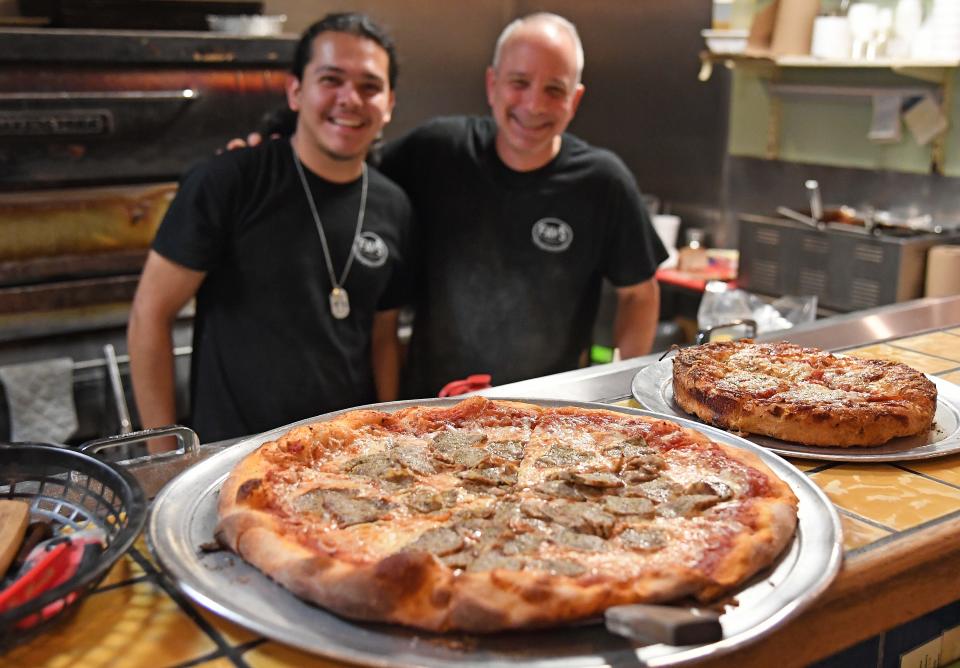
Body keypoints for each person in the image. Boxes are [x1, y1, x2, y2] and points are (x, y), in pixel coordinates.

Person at [234, 12, 667, 399]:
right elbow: (348, 168)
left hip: (544, 413)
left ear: (574, 100)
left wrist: (623, 388)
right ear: (492, 84)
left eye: (554, 89)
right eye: (519, 82)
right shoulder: (436, 150)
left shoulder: (602, 181)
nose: (534, 105)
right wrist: (275, 142)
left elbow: (639, 293)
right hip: (428, 406)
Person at [127, 13, 412, 447]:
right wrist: (164, 454)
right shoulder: (229, 181)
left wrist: (391, 434)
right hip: (235, 450)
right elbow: (150, 314)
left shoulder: (394, 205)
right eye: (331, 79)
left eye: (370, 86)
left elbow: (383, 335)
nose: (350, 99)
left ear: (389, 103)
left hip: (349, 449)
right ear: (296, 91)